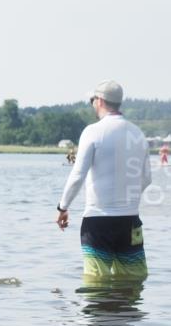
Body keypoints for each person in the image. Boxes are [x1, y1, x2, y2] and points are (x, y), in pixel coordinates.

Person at [56, 80, 151, 282]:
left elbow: (77, 176)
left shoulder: (93, 132)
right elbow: (147, 179)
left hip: (98, 222)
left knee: (95, 284)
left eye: (92, 100)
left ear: (99, 101)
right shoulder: (137, 134)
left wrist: (62, 207)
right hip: (130, 221)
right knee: (133, 283)